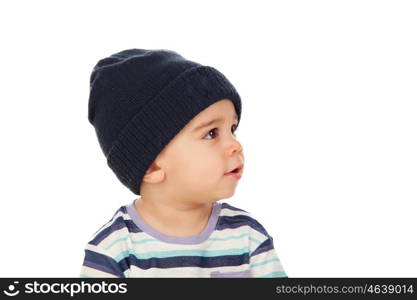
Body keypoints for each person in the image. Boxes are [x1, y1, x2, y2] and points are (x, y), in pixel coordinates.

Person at [80, 48, 287, 278]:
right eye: (211, 133)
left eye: (233, 129)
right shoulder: (113, 251)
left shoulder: (248, 237)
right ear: (152, 166)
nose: (235, 146)